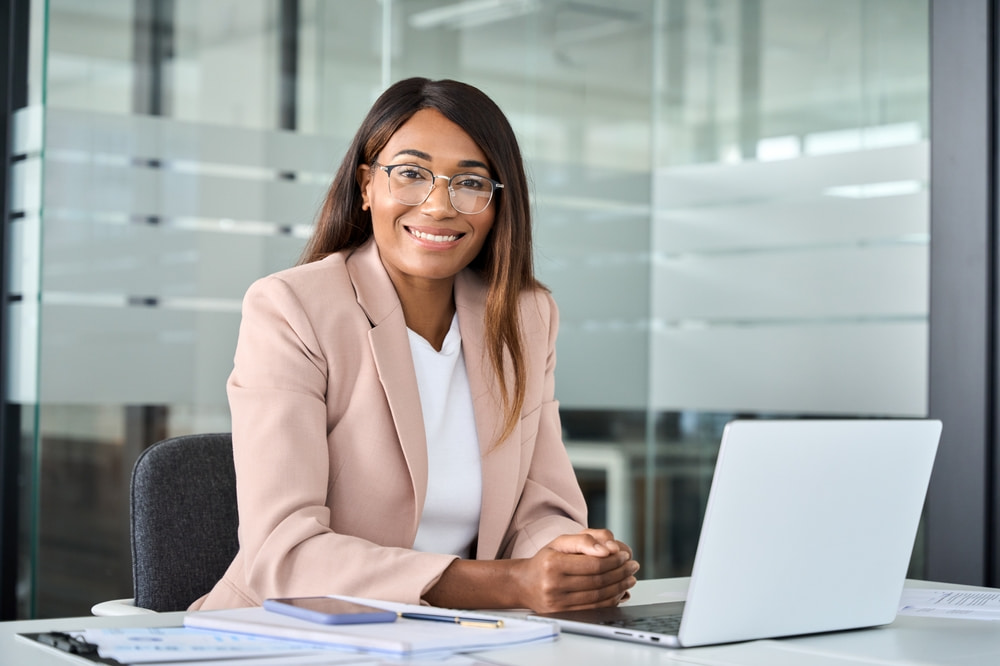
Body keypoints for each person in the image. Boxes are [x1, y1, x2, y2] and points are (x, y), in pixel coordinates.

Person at [191, 77, 638, 613]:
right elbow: (285, 556)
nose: (439, 205)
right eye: (410, 174)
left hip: (458, 638)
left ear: (497, 205)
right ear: (366, 185)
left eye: (470, 182)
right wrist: (512, 583)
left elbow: (541, 511)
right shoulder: (292, 308)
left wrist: (569, 556)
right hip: (293, 634)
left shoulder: (523, 315)